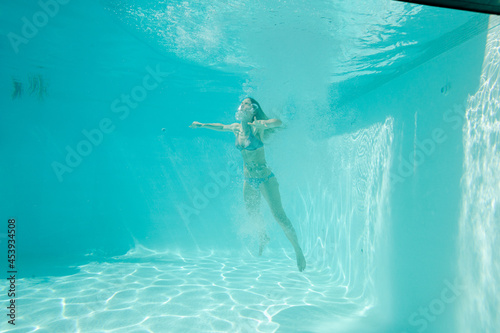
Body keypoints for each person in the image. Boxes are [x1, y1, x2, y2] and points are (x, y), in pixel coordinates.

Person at [189, 97, 306, 272]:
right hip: (249, 179)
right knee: (252, 212)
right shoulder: (237, 128)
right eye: (241, 103)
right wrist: (202, 125)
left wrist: (265, 124)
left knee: (279, 216)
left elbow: (277, 122)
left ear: (253, 109)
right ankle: (263, 236)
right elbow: (221, 126)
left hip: (266, 179)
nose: (242, 105)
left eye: (246, 104)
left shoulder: (256, 127)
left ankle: (298, 251)